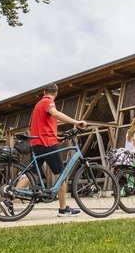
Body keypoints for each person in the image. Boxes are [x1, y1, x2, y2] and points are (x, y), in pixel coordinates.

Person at [16, 83, 87, 217]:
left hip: (37, 143)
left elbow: (43, 125)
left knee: (32, 175)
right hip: (46, 143)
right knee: (61, 174)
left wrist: (56, 138)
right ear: (56, 94)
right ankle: (63, 209)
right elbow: (54, 113)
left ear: (44, 91)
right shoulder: (48, 102)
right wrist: (76, 122)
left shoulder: (38, 104)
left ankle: (9, 199)